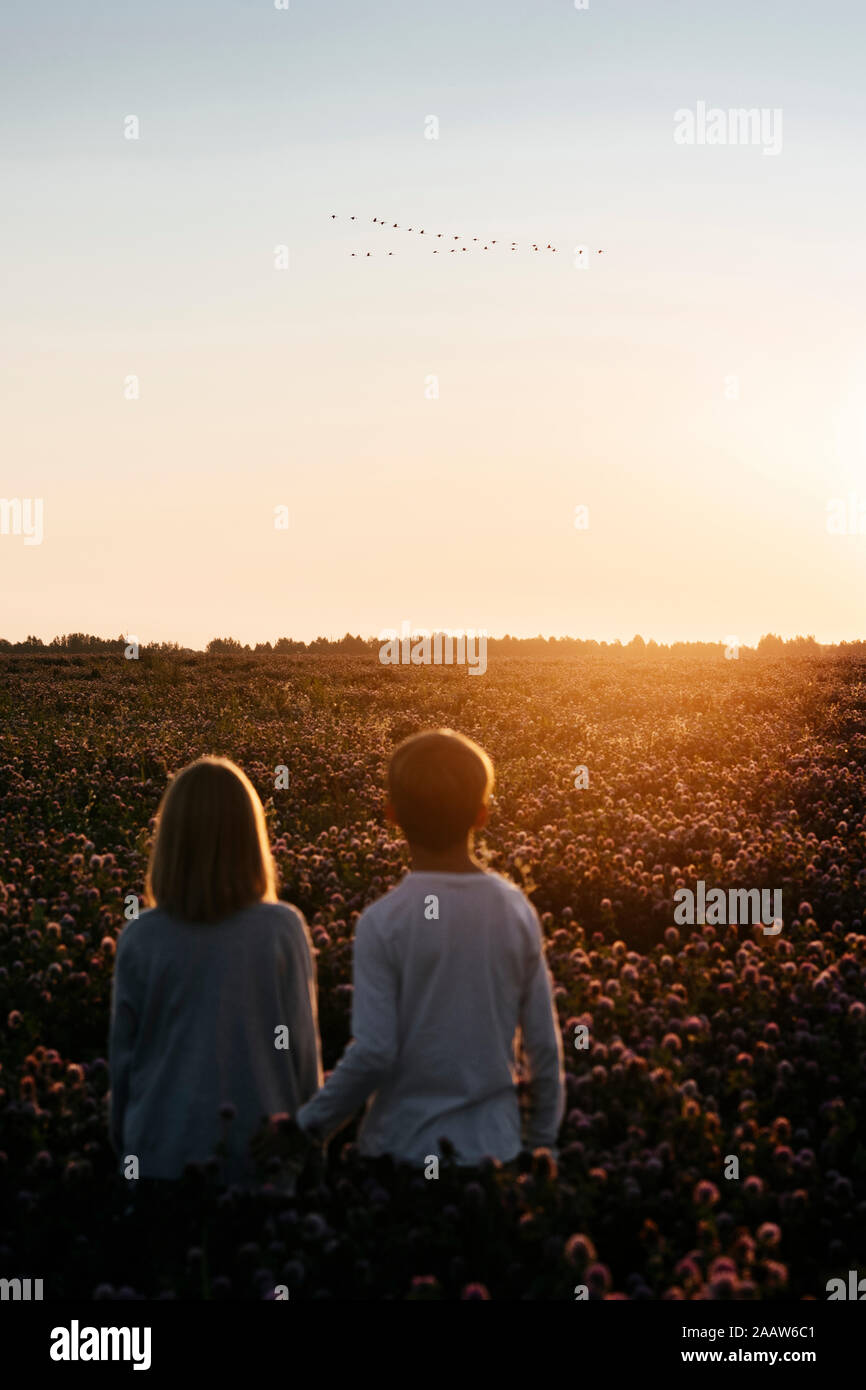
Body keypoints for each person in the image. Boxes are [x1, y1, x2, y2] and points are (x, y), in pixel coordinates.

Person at [296, 728, 564, 1166]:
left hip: (399, 1151)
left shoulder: (384, 922)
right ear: (482, 815)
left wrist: (310, 1126)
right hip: (492, 1153)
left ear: (391, 814)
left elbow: (375, 1052)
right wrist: (541, 1144)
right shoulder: (515, 910)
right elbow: (543, 1048)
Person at [108, 756, 322, 1181]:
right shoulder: (282, 928)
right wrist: (311, 1146)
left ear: (168, 838)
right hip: (262, 1152)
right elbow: (301, 1050)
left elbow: (125, 1063)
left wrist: (125, 1144)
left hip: (162, 1152)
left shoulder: (141, 936)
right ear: (252, 837)